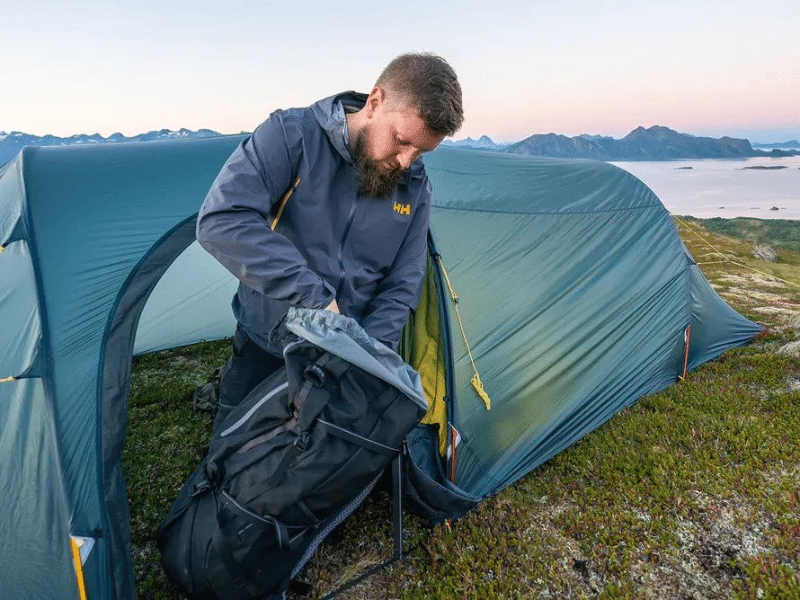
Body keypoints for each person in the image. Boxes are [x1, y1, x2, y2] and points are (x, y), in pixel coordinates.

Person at [196, 53, 463, 429]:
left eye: (421, 152)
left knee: (317, 469)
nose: (407, 162)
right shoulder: (291, 135)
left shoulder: (416, 186)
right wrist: (316, 299)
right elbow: (221, 219)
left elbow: (403, 281)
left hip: (350, 359)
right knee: (232, 456)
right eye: (402, 141)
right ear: (375, 102)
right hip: (269, 338)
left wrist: (368, 353)